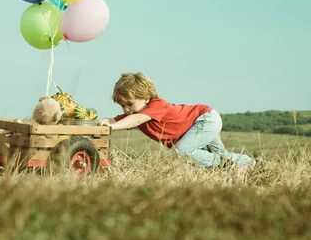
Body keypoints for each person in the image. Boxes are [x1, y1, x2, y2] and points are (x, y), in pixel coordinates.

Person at [98, 72, 256, 169]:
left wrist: (113, 126)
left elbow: (136, 119)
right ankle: (251, 164)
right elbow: (124, 118)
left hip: (204, 119)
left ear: (146, 98)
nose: (126, 110)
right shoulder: (135, 114)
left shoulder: (156, 106)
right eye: (122, 105)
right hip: (198, 125)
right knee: (218, 153)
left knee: (182, 152)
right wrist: (108, 120)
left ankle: (224, 164)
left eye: (129, 104)